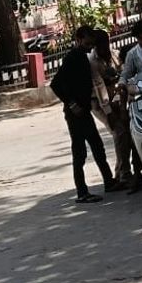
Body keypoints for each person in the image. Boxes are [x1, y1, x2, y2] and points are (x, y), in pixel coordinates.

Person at [51, 26, 121, 203]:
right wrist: (72, 103)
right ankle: (82, 192)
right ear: (79, 39)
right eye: (88, 43)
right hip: (75, 113)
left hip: (84, 110)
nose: (90, 47)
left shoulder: (82, 57)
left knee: (97, 146)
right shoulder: (72, 58)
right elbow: (56, 84)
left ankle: (109, 181)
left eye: (92, 44)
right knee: (80, 152)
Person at [89, 28, 142, 193]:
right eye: (100, 44)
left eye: (106, 42)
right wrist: (110, 113)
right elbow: (100, 89)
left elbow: (124, 77)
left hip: (117, 98)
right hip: (100, 103)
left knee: (128, 132)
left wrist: (122, 105)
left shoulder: (115, 54)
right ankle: (124, 174)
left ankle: (124, 171)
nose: (104, 47)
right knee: (119, 133)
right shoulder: (93, 62)